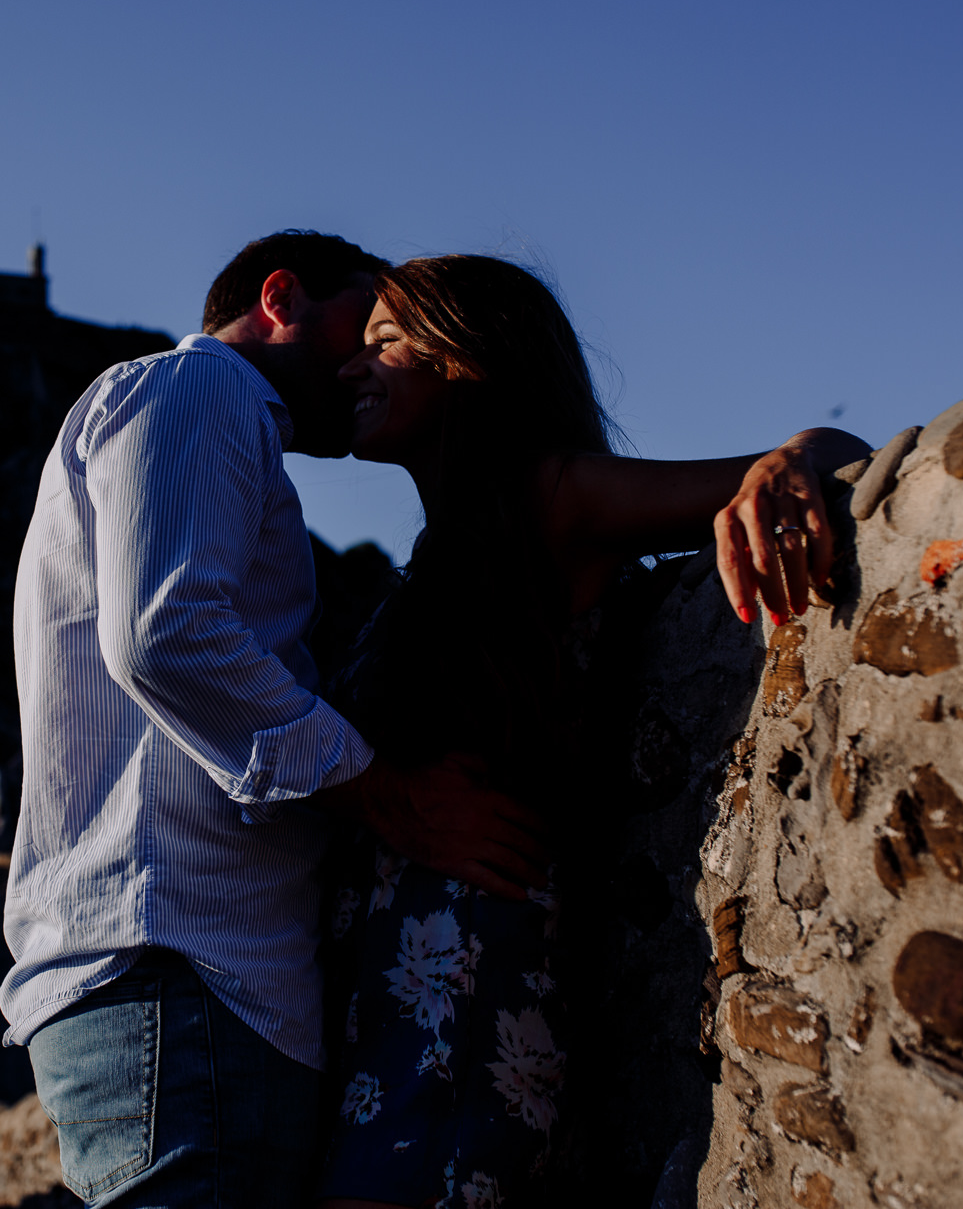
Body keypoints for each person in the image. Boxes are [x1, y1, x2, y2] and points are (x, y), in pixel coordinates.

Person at [0, 232, 550, 1209]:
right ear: (281, 295)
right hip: (183, 970)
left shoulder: (218, 429)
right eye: (363, 323)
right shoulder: (199, 390)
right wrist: (393, 800)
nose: (358, 362)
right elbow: (168, 634)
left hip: (201, 990)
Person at [314, 254, 869, 1209]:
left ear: (466, 359)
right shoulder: (439, 557)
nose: (353, 370)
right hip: (391, 1008)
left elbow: (837, 455)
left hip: (464, 1001)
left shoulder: (550, 494)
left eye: (386, 343)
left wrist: (787, 461)